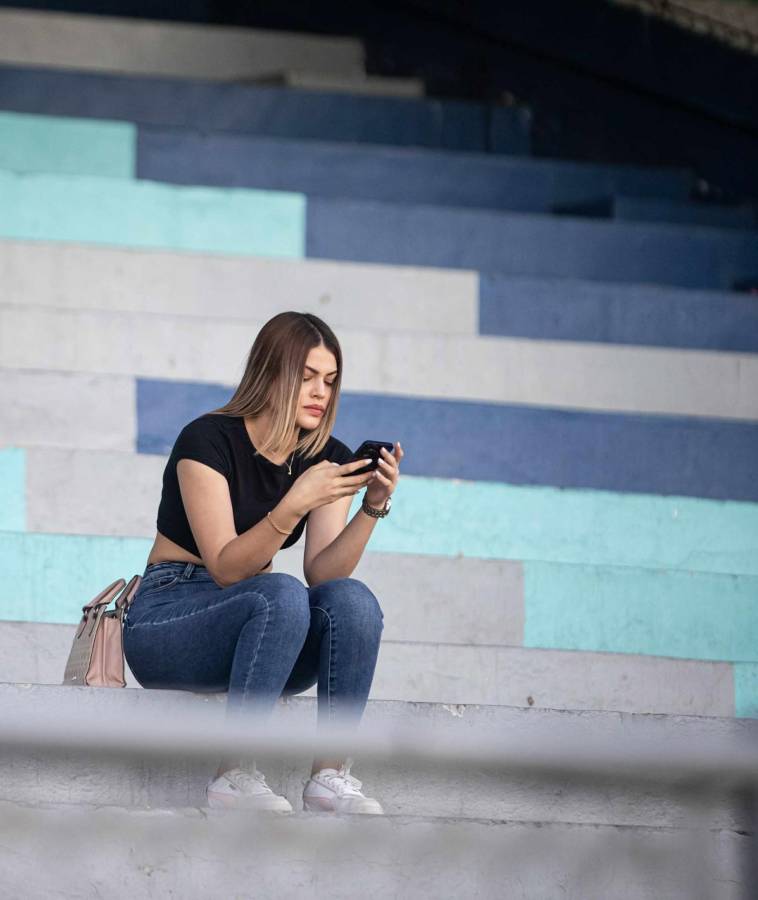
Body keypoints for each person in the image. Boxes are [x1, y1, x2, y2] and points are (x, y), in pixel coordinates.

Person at [123, 311, 403, 815]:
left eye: (331, 381)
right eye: (307, 377)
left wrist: (372, 506)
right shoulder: (206, 441)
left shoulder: (325, 456)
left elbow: (324, 573)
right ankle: (233, 773)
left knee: (354, 601)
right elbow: (227, 567)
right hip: (170, 618)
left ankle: (330, 775)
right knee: (279, 592)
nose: (321, 392)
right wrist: (294, 502)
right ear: (272, 374)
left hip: (265, 629)